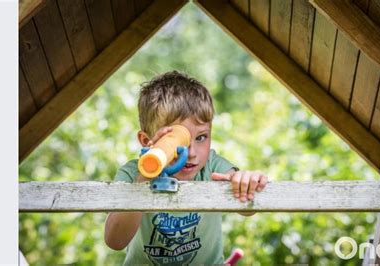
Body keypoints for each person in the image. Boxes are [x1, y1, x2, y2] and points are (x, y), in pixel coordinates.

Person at [104, 71, 268, 265]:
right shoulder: (132, 174)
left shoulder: (210, 166)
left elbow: (248, 210)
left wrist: (244, 182)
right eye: (176, 140)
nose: (190, 152)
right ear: (147, 141)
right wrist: (145, 177)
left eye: (201, 138)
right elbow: (115, 241)